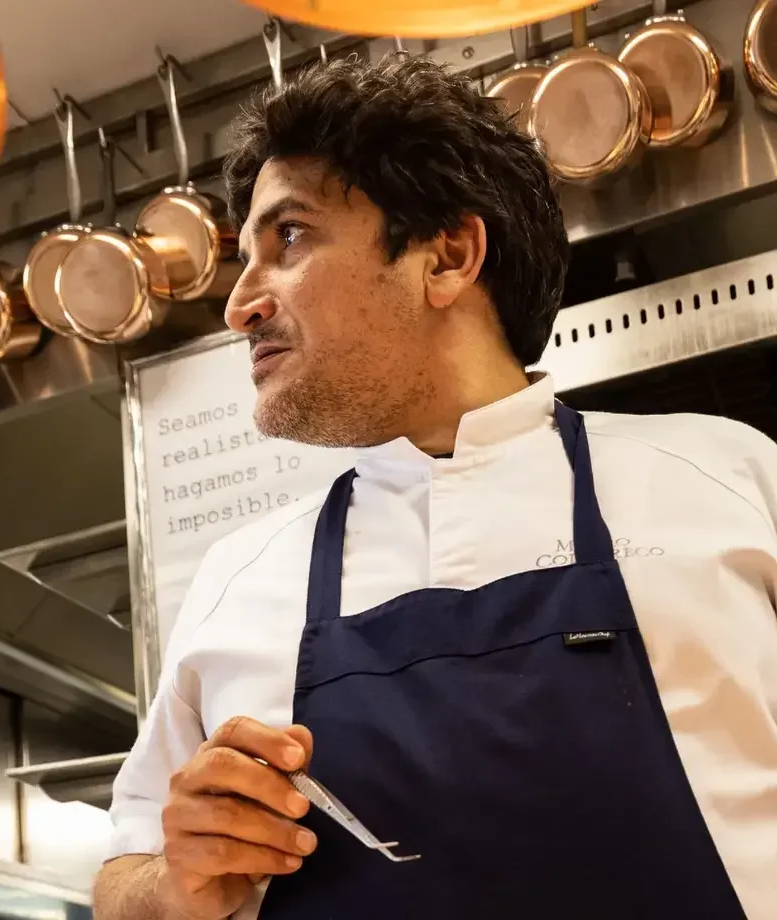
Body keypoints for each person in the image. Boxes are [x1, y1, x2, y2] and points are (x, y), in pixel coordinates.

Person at [95, 54, 777, 920]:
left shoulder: (731, 479)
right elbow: (124, 882)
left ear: (447, 256)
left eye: (290, 237)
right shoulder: (242, 574)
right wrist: (177, 884)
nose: (238, 305)